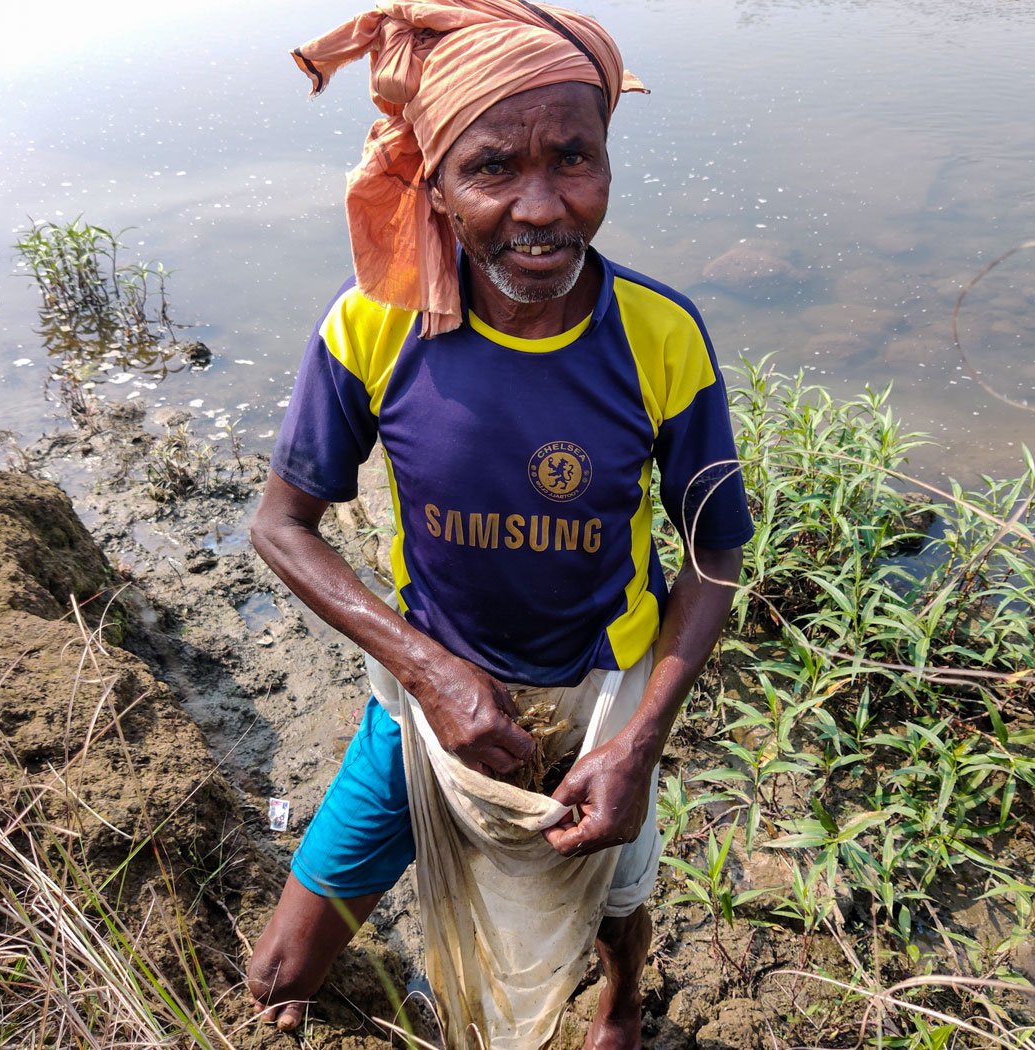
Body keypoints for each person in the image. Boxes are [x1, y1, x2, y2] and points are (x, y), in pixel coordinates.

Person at [245, 2, 753, 1046]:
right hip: (427, 699)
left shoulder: (660, 336)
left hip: (596, 695)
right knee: (278, 969)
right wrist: (431, 673)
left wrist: (638, 744)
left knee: (614, 893)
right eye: (489, 170)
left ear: (607, 158)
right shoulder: (374, 325)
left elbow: (714, 553)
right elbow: (281, 525)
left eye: (573, 159)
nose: (541, 209)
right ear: (431, 182)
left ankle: (620, 1003)